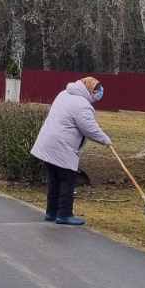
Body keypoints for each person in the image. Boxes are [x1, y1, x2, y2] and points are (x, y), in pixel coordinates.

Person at [29, 76, 112, 226]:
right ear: (89, 90)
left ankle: (51, 212)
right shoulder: (81, 104)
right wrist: (106, 140)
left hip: (48, 144)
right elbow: (89, 129)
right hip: (62, 147)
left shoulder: (64, 94)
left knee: (54, 180)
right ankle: (64, 214)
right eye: (97, 90)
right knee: (67, 180)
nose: (99, 93)